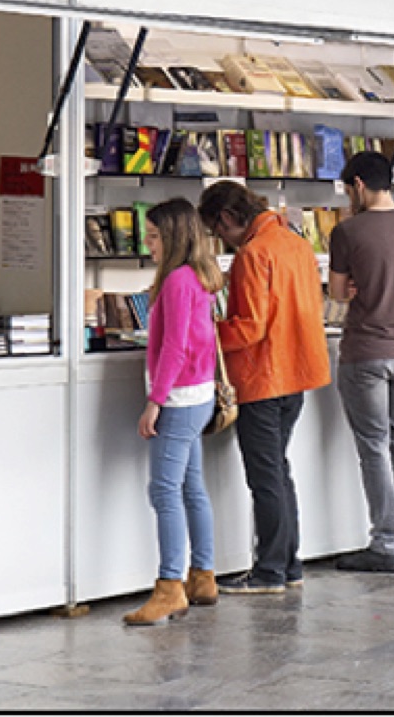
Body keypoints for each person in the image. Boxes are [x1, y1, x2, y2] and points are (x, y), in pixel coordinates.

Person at [198, 182, 331, 594]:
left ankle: (271, 569)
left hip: (262, 376)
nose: (221, 240)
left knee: (266, 476)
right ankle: (288, 564)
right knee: (279, 471)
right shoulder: (296, 243)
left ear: (226, 219)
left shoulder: (253, 254)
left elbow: (250, 327)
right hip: (299, 372)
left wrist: (207, 331)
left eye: (217, 232)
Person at [329, 151, 394, 571]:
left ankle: (385, 543)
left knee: (374, 448)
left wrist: (359, 284)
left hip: (367, 350)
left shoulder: (348, 231)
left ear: (357, 185)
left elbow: (338, 294)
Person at [124, 198, 224, 626]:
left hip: (180, 399)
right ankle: (202, 576)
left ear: (175, 237)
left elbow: (174, 347)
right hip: (197, 395)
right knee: (191, 487)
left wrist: (154, 401)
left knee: (164, 491)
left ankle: (169, 587)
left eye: (154, 236)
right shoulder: (197, 277)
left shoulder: (179, 282)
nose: (148, 245)